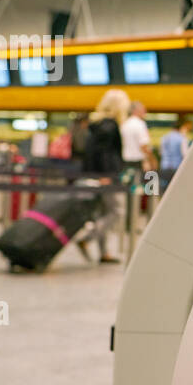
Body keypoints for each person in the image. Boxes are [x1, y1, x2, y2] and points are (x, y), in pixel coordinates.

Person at [78, 89, 129, 264]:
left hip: (96, 174)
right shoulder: (110, 125)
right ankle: (88, 238)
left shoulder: (97, 124)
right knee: (117, 211)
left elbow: (92, 152)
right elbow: (106, 153)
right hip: (107, 175)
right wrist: (107, 174)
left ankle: (104, 252)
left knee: (103, 212)